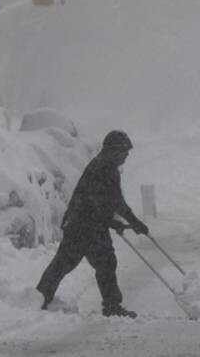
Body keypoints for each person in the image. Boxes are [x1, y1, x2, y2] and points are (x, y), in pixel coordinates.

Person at [36, 130, 149, 318]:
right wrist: (133, 222)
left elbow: (105, 203)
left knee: (72, 263)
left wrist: (117, 223)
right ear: (114, 151)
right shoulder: (104, 169)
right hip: (84, 226)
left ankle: (41, 296)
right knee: (89, 262)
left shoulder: (103, 166)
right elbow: (113, 203)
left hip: (85, 224)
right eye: (124, 152)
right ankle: (111, 305)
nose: (126, 156)